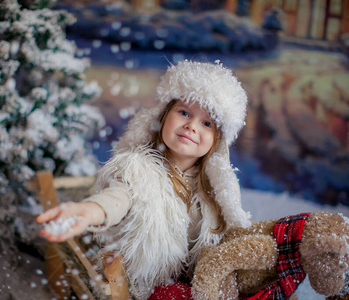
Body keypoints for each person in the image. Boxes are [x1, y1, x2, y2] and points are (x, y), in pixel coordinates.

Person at [36, 60, 252, 299]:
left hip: (200, 279)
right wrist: (92, 210)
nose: (191, 126)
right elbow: (118, 197)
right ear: (162, 116)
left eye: (206, 123)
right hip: (147, 285)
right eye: (184, 112)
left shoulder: (215, 187)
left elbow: (231, 232)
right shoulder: (137, 169)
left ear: (218, 140)